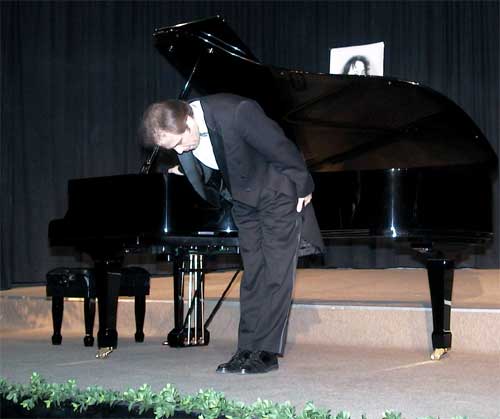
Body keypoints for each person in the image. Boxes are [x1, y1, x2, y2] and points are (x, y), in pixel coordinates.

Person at [141, 93, 324, 374]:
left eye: (179, 142)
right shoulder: (187, 139)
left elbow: (280, 147)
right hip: (244, 202)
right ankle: (246, 348)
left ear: (188, 119)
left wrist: (303, 184)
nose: (179, 150)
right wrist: (189, 171)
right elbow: (218, 165)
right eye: (172, 148)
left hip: (276, 193)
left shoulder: (237, 112)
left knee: (276, 273)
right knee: (253, 275)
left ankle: (267, 352)